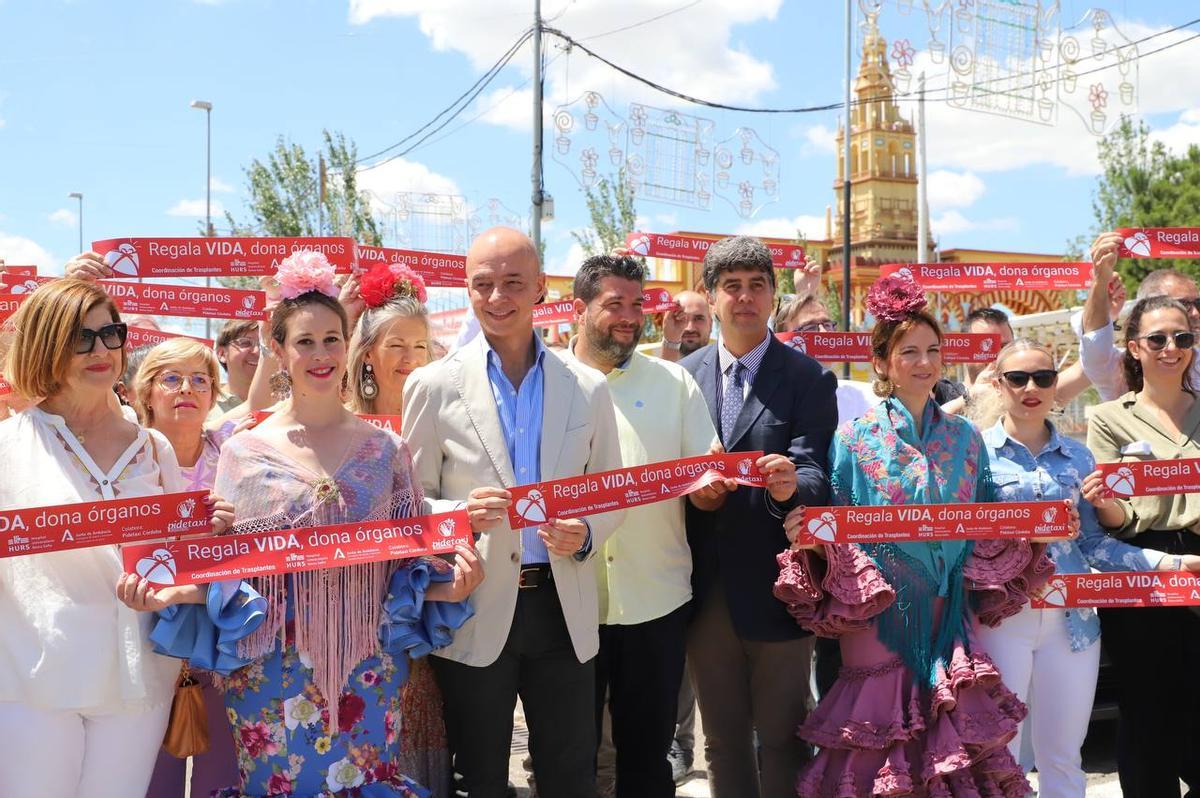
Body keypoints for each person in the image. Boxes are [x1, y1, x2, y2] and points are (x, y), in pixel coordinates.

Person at [134, 251, 483, 797]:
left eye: (332, 340)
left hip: (368, 660)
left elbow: (412, 561)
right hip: (267, 663)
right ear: (278, 350)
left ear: (349, 347)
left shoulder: (387, 449)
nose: (320, 354)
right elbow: (224, 571)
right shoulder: (242, 451)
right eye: (304, 341)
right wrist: (166, 589)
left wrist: (452, 583)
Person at [774, 273, 1062, 797]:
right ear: (881, 362)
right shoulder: (854, 437)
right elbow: (840, 519)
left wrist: (1032, 526)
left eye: (933, 350)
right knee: (880, 752)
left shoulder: (966, 437)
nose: (924, 362)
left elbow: (987, 516)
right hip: (879, 619)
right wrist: (814, 539)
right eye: (909, 351)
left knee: (947, 752)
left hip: (946, 612)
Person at [402, 227, 625, 798]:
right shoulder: (433, 385)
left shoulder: (589, 387)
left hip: (562, 605)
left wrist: (583, 534)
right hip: (474, 607)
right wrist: (457, 513)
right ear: (468, 290)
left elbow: (610, 493)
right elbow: (407, 503)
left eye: (512, 283)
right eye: (483, 285)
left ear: (540, 289)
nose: (497, 297)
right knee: (479, 778)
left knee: (570, 778)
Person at [0, 278, 234, 797]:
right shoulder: (8, 445)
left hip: (139, 679)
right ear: (46, 344)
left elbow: (179, 560)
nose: (101, 350)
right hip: (33, 676)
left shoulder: (153, 448)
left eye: (111, 333)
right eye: (80, 337)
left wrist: (206, 534)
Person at [974, 337, 1200, 798]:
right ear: (999, 384)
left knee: (1063, 757)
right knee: (999, 755)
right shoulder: (974, 454)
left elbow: (1097, 546)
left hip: (1073, 624)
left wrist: (1172, 563)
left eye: (1044, 377)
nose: (1031, 387)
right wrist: (1020, 535)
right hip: (1000, 618)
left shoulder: (1078, 458)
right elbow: (963, 543)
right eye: (1018, 378)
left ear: (1057, 385)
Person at [679, 235, 836, 798]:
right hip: (701, 586)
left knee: (783, 737)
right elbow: (665, 474)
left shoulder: (807, 379)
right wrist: (694, 495)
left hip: (779, 584)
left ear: (772, 295)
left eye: (756, 286)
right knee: (720, 742)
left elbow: (818, 472)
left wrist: (793, 487)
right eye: (731, 287)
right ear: (710, 296)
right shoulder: (679, 375)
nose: (744, 298)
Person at [559, 254, 721, 797]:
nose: (629, 316)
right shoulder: (545, 385)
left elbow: (704, 480)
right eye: (614, 305)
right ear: (580, 309)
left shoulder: (675, 385)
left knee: (648, 764)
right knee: (567, 761)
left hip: (655, 603)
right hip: (567, 602)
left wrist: (710, 491)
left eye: (637, 304)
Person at [1084, 295, 1200, 797]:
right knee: (1146, 712)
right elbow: (1116, 518)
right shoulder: (1108, 418)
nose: (1171, 348)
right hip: (1140, 570)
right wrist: (1105, 499)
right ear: (1134, 348)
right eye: (1158, 338)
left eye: (1183, 337)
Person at [345, 260, 452, 797]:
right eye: (396, 346)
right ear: (367, 354)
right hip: (353, 609)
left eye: (421, 346)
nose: (411, 360)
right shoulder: (339, 422)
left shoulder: (446, 414)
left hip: (423, 607)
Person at [131, 337, 243, 798]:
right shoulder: (125, 458)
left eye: (200, 379)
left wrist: (231, 528)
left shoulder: (237, 452)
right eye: (171, 378)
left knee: (222, 767)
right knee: (151, 771)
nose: (187, 389)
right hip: (144, 631)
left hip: (219, 632)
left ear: (215, 393)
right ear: (146, 393)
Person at [1080, 231, 1200, 400]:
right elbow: (1094, 342)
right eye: (1183, 305)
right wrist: (1101, 279)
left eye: (1198, 304)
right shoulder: (1119, 372)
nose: (1195, 313)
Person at [776, 292, 878, 426]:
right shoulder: (772, 401)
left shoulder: (863, 398)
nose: (824, 334)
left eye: (828, 325)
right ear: (784, 339)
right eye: (810, 328)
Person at [935, 306, 1014, 412]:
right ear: (965, 347)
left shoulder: (1020, 390)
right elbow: (925, 424)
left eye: (1005, 347)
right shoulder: (942, 390)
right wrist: (971, 396)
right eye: (986, 346)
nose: (997, 355)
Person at [213, 319, 260, 416]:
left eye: (264, 345)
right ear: (221, 354)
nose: (257, 351)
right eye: (245, 343)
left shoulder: (285, 405)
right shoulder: (205, 405)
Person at [660, 290, 713, 362]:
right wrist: (670, 345)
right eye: (681, 318)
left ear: (710, 324)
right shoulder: (647, 366)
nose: (690, 328)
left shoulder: (727, 365)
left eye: (698, 318)